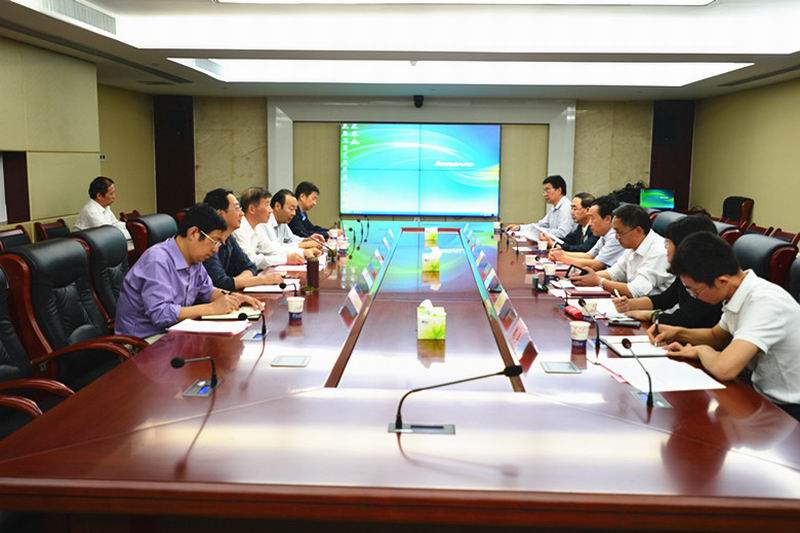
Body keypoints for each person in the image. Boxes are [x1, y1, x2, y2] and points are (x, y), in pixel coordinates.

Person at [650, 232, 800, 421]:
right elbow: (717, 336)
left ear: (722, 281)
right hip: (760, 394)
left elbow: (724, 369)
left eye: (695, 291)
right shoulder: (739, 290)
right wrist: (678, 332)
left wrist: (702, 351)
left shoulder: (766, 303)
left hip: (788, 410)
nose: (694, 297)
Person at [115, 204, 263, 340]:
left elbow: (207, 291)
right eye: (214, 241)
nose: (216, 249)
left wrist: (235, 298)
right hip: (145, 341)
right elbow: (160, 314)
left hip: (175, 332)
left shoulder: (194, 259)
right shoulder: (157, 260)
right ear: (193, 233)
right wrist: (211, 308)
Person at [613, 214, 722, 327]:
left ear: (685, 246)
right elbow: (665, 299)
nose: (665, 246)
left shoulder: (707, 279)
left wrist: (649, 315)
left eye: (668, 242)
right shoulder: (686, 271)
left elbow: (685, 319)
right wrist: (630, 304)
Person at [569, 203, 673, 297]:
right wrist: (585, 276)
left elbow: (635, 291)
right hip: (633, 304)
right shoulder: (633, 245)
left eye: (619, 232)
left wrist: (599, 281)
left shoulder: (660, 252)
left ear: (638, 230)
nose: (616, 237)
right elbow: (614, 273)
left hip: (654, 310)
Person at [201, 188, 283, 290]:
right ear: (221, 214)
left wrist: (236, 282)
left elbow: (250, 266)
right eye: (237, 208)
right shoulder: (208, 241)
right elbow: (221, 283)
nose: (242, 213)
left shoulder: (229, 238)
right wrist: (262, 280)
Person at [234, 187, 311, 267]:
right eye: (267, 205)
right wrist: (286, 259)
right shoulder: (239, 228)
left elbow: (273, 249)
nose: (271, 210)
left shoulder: (257, 228)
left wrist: (302, 253)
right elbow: (251, 260)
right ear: (252, 209)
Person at [549, 195, 624, 271]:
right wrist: (561, 253)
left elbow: (597, 265)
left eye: (593, 218)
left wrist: (563, 258)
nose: (590, 223)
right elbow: (588, 255)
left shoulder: (615, 236)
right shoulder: (605, 234)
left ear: (608, 219)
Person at [506, 175, 575, 240]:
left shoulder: (566, 208)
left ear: (559, 190)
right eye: (544, 191)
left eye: (547, 190)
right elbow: (540, 225)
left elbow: (562, 233)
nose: (544, 194)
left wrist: (541, 231)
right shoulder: (554, 207)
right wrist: (519, 228)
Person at [74, 176, 131, 241]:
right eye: (111, 194)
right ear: (99, 196)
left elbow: (115, 224)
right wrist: (133, 233)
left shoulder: (105, 206)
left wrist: (132, 227)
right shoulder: (90, 211)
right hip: (83, 245)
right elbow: (109, 233)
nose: (114, 196)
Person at [267, 189, 323, 254]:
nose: (294, 213)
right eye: (291, 209)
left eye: (295, 210)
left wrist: (307, 239)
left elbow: (291, 239)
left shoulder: (282, 222)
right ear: (277, 206)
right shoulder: (265, 222)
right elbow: (273, 248)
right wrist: (303, 245)